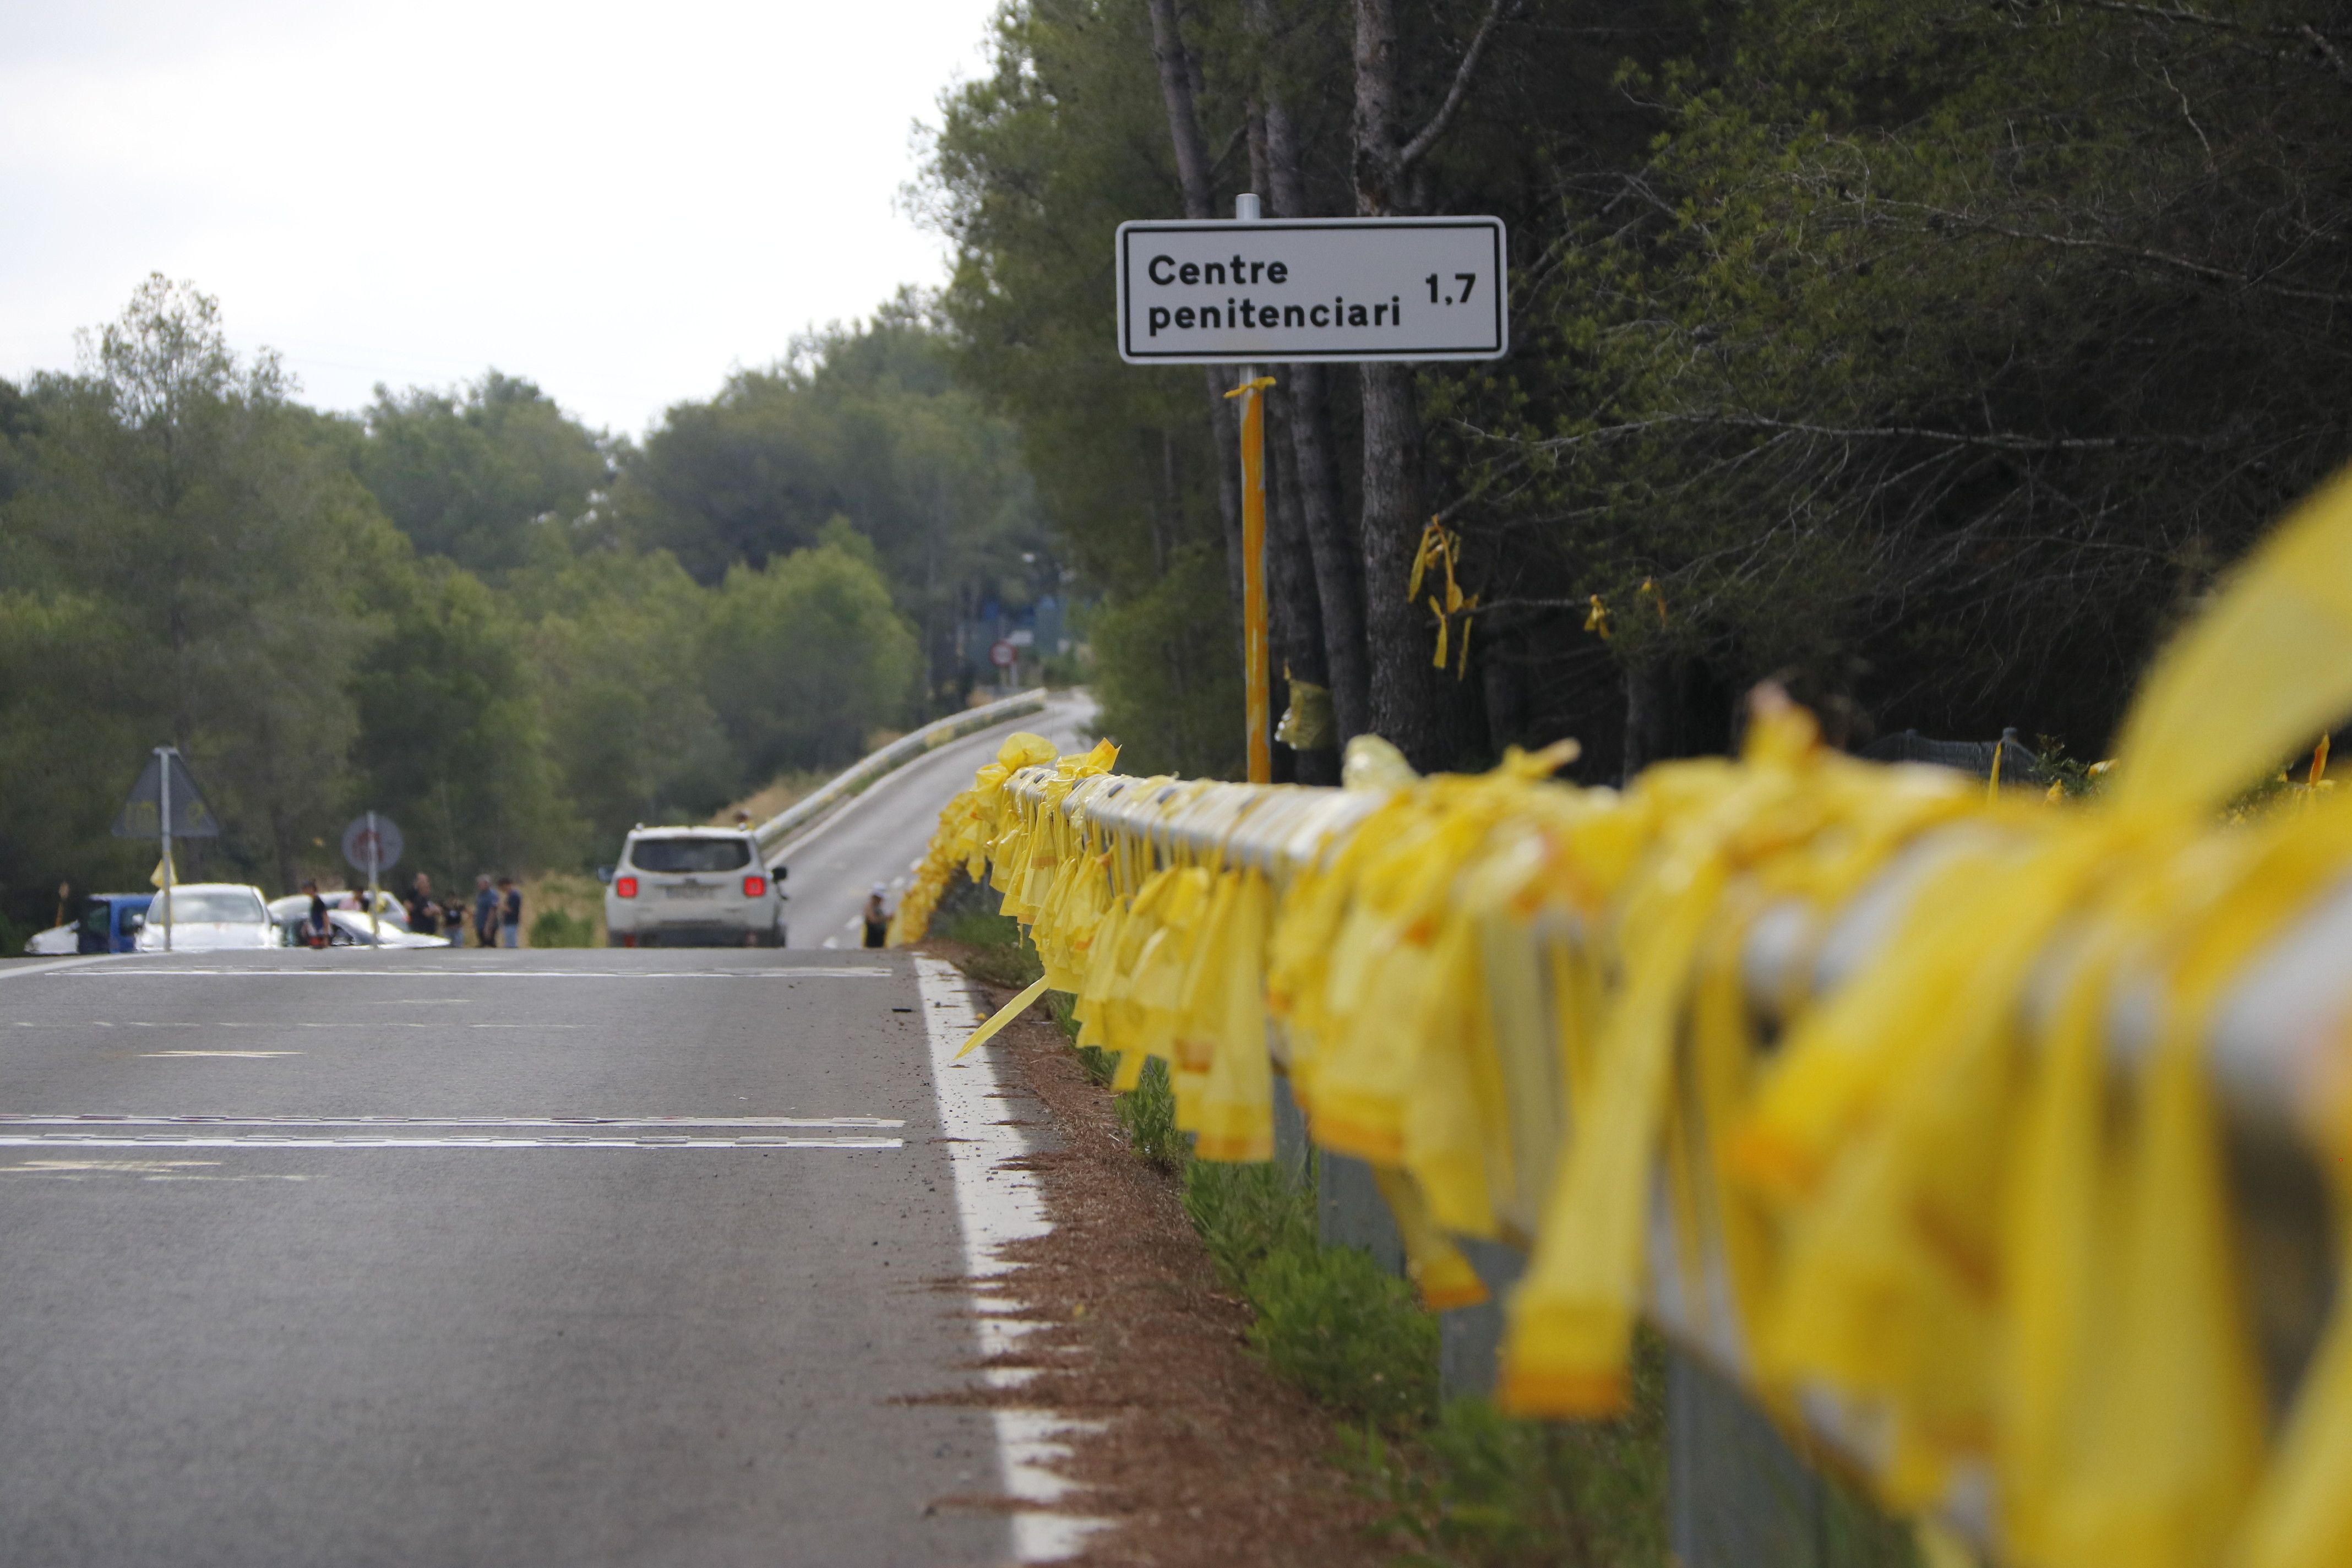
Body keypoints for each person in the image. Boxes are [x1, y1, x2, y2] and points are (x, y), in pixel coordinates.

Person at [404, 874, 441, 938]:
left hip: (429, 931)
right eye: (424, 882)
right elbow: (426, 912)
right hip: (422, 931)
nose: (427, 885)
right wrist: (435, 910)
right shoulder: (418, 898)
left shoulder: (426, 899)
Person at [300, 880, 331, 948]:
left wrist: (326, 936)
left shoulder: (318, 902)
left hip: (320, 933)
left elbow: (325, 917)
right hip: (314, 931)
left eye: (307, 889)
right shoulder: (312, 902)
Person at [472, 875, 498, 948]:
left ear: (487, 884)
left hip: (488, 925)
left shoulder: (492, 895)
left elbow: (493, 910)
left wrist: (488, 926)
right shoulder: (480, 895)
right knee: (482, 945)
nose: (479, 886)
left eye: (481, 884)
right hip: (480, 924)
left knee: (489, 944)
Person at [862, 883, 890, 949]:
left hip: (880, 941)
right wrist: (886, 918)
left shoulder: (878, 908)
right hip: (872, 942)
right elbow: (873, 920)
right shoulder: (869, 907)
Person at [498, 875, 522, 948]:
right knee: (508, 943)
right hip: (508, 923)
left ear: (506, 885)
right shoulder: (510, 895)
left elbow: (512, 910)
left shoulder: (514, 895)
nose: (502, 890)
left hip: (512, 923)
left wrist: (501, 906)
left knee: (511, 945)